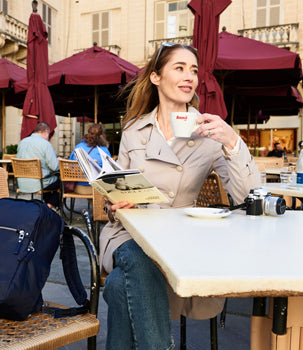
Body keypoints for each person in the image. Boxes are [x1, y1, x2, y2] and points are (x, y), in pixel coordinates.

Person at [99, 43, 260, 349]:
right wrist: (116, 204)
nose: (190, 77)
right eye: (180, 68)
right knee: (136, 253)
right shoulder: (134, 130)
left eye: (194, 70)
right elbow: (115, 198)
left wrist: (232, 141)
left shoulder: (209, 133)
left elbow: (248, 196)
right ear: (157, 78)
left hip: (179, 242)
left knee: (120, 286)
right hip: (128, 235)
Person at [17, 122, 60, 208]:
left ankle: (46, 205)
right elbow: (54, 167)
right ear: (46, 131)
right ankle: (48, 207)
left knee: (50, 181)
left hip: (22, 183)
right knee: (64, 183)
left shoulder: (22, 142)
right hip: (38, 184)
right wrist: (58, 161)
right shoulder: (45, 144)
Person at [69, 123, 111, 194]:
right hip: (96, 188)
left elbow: (70, 165)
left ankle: (96, 204)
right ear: (101, 136)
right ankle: (100, 205)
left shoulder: (78, 147)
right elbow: (109, 169)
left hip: (78, 187)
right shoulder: (104, 150)